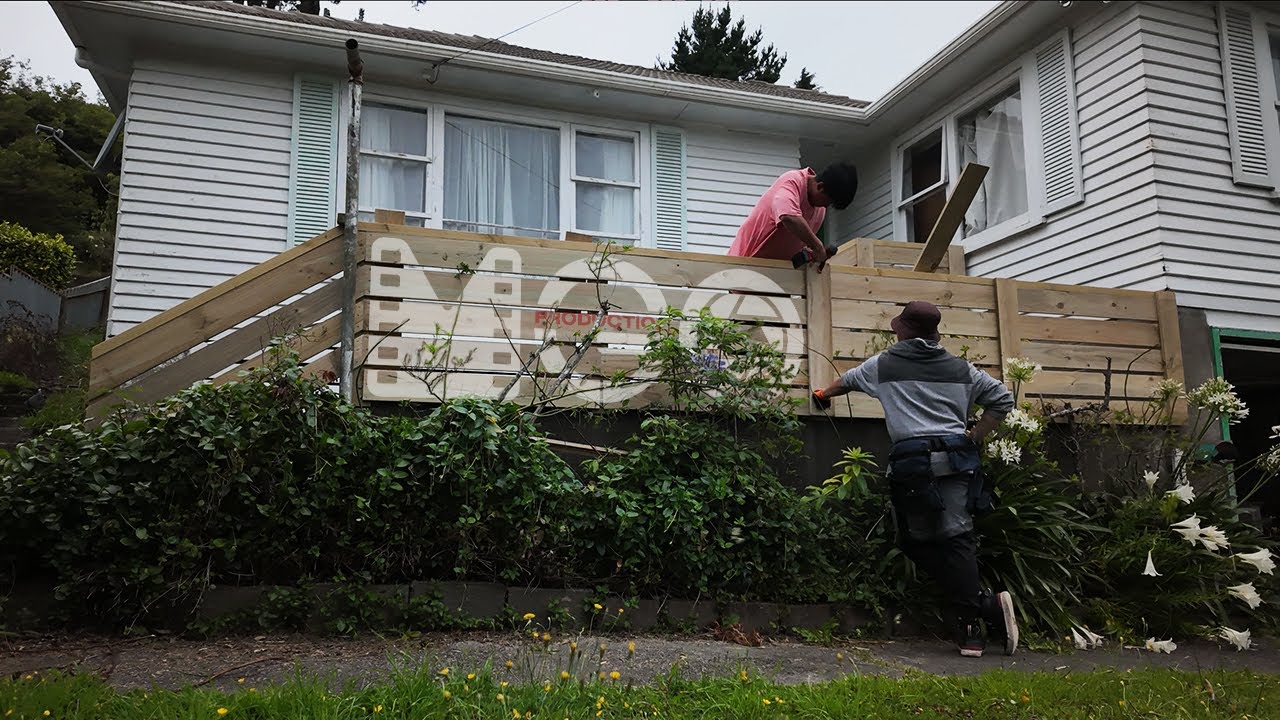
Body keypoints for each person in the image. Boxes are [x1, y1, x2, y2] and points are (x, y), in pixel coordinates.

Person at [810, 300, 1019, 658]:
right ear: (935, 333)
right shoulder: (961, 368)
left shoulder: (885, 364)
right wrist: (974, 436)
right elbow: (1002, 399)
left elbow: (847, 381)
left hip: (913, 467)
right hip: (955, 463)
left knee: (914, 541)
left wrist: (822, 395)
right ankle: (977, 615)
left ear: (902, 331)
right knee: (957, 538)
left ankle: (976, 615)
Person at [728, 163, 858, 272]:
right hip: (742, 268)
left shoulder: (820, 211)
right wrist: (818, 246)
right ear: (820, 187)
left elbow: (798, 246)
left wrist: (813, 256)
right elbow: (788, 216)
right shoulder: (792, 181)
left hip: (773, 279)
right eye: (828, 202)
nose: (825, 206)